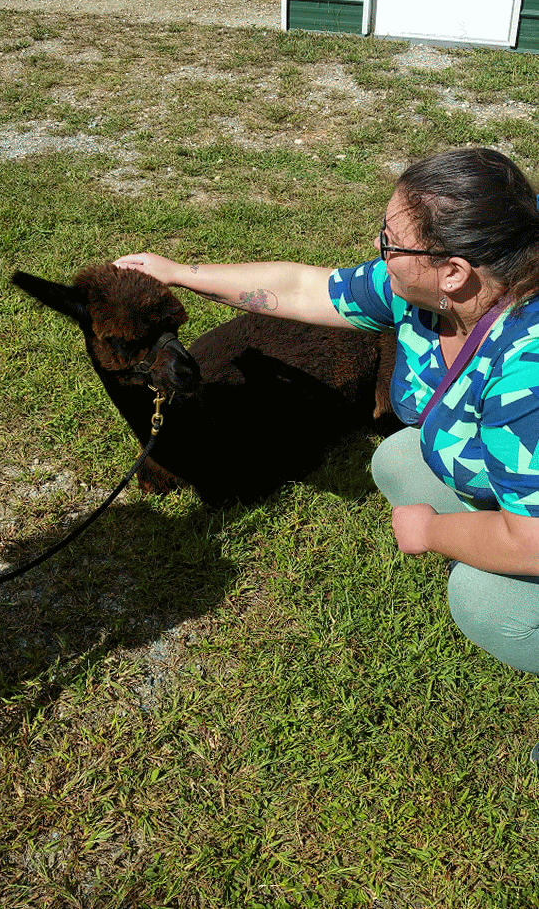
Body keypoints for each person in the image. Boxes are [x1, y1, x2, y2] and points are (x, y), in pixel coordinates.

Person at [115, 147, 539, 758]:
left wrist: (432, 532)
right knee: (399, 459)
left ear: (453, 270)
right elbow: (304, 288)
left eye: (391, 244)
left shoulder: (526, 366)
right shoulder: (433, 294)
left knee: (484, 600)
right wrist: (182, 272)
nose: (379, 252)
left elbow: (533, 540)